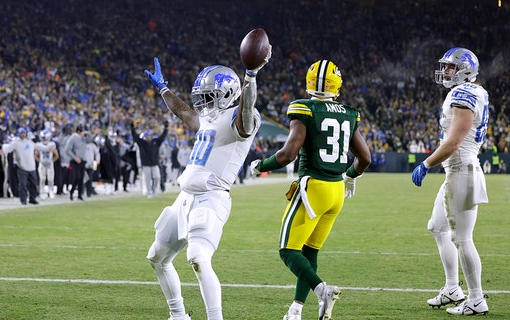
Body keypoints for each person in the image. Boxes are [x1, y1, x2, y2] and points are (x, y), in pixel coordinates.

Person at [144, 47, 270, 320]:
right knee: (156, 257)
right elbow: (184, 112)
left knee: (198, 257)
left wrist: (251, 75)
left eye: (209, 96)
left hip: (211, 198)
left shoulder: (243, 118)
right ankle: (178, 315)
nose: (203, 103)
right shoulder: (210, 118)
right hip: (184, 198)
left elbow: (246, 112)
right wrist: (164, 89)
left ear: (227, 94)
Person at [250, 59, 371, 320]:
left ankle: (322, 290)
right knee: (309, 251)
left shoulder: (304, 107)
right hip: (336, 192)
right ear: (337, 85)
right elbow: (366, 158)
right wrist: (351, 175)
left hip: (312, 189)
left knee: (287, 250)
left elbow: (287, 154)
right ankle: (296, 310)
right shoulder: (349, 112)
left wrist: (260, 165)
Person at [411, 47, 490, 316]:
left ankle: (477, 299)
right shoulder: (474, 91)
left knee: (462, 238)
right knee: (437, 227)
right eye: (445, 66)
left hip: (462, 171)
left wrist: (426, 163)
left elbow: (454, 142)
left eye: (450, 67)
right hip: (458, 172)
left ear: (464, 70)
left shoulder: (463, 93)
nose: (445, 71)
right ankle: (452, 288)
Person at [2, 127, 52, 205]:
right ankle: (23, 199)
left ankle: (32, 198)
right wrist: (3, 146)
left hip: (31, 167)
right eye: (21, 133)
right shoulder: (16, 143)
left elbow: (39, 147)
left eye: (23, 133)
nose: (22, 135)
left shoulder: (30, 142)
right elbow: (7, 149)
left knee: (33, 184)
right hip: (22, 167)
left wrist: (48, 148)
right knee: (23, 185)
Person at [130, 121, 168, 198]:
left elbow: (163, 136)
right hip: (146, 164)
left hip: (154, 163)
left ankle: (154, 190)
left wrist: (166, 128)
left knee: (157, 177)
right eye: (148, 136)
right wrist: (132, 128)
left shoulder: (156, 142)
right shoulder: (142, 143)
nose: (149, 137)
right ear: (145, 137)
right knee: (148, 179)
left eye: (150, 135)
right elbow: (135, 137)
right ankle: (149, 192)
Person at [35, 130, 59, 199]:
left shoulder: (52, 144)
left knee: (50, 179)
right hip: (42, 164)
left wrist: (52, 161)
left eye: (45, 137)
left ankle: (50, 190)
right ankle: (42, 192)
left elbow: (56, 155)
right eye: (43, 137)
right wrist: (40, 161)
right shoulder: (39, 145)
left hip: (49, 164)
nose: (44, 139)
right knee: (42, 179)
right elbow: (35, 155)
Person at [65, 124, 87, 201]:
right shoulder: (73, 139)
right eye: (83, 131)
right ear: (79, 131)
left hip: (83, 160)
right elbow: (67, 150)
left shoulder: (84, 139)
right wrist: (75, 157)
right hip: (75, 161)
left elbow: (91, 139)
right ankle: (72, 192)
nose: (84, 133)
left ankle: (79, 195)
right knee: (77, 177)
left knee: (81, 179)